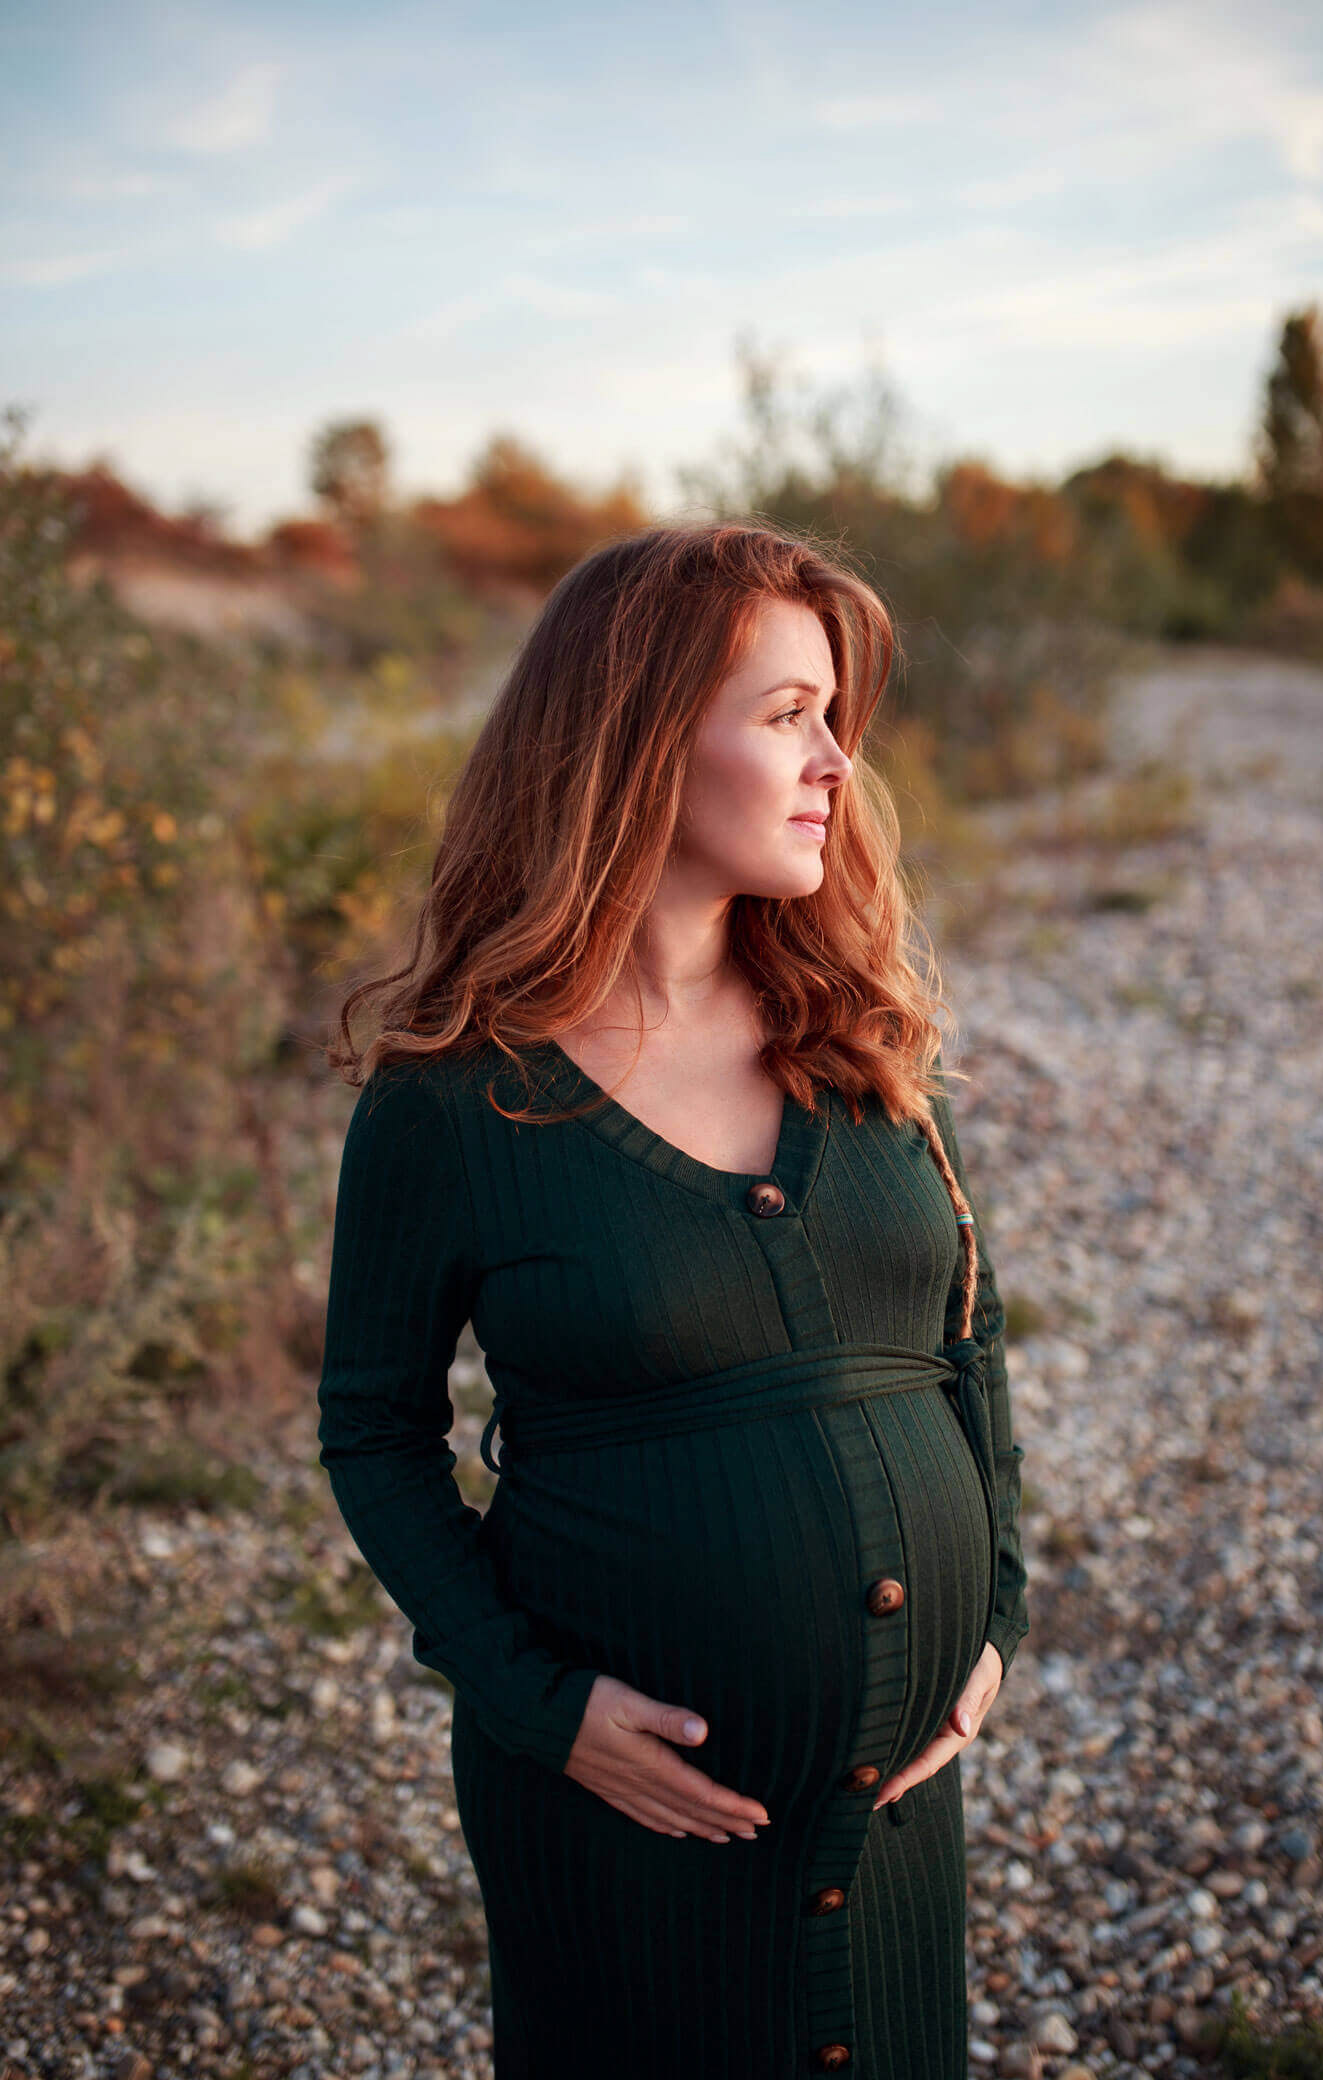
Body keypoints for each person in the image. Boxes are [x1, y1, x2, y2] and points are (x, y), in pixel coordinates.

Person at [315, 519, 1030, 2080]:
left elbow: (965, 1340)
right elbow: (373, 1431)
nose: (837, 762)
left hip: (895, 1820)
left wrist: (994, 1618)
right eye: (788, 715)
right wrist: (536, 1701)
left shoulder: (861, 1036)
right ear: (640, 740)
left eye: (838, 717)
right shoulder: (457, 1101)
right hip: (620, 1834)